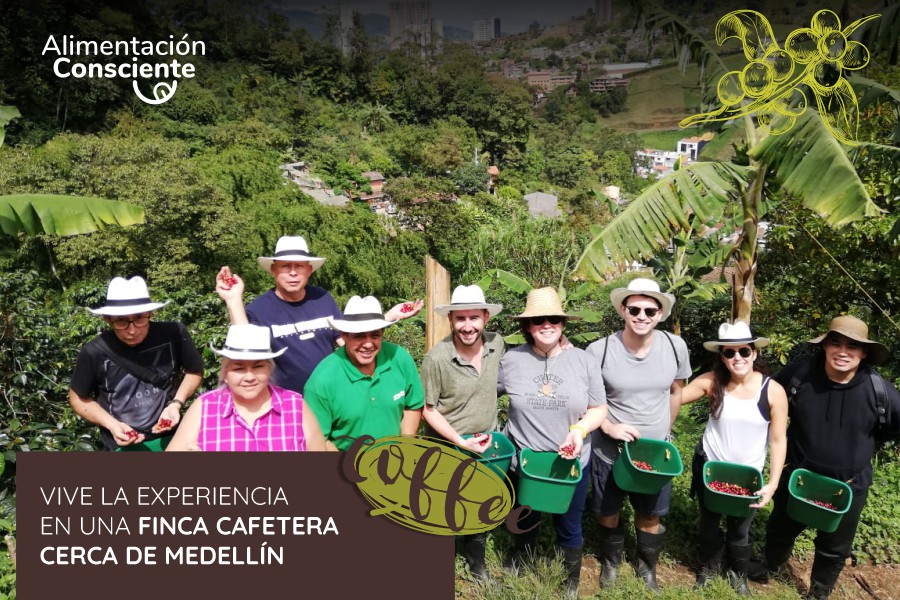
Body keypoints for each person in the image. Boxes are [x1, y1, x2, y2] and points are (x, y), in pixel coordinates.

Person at [750, 316, 900, 600]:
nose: (843, 351)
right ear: (825, 346)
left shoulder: (880, 391)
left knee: (834, 545)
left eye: (853, 346)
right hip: (798, 477)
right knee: (781, 527)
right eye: (836, 342)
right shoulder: (799, 376)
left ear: (864, 352)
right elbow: (767, 401)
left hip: (850, 485)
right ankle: (769, 564)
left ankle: (819, 593)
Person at [498, 287, 607, 597]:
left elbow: (599, 408)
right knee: (524, 517)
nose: (546, 325)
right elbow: (483, 392)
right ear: (527, 327)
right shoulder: (511, 360)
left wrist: (580, 431)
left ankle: (569, 581)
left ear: (563, 323)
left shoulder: (583, 361)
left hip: (570, 461)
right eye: (538, 320)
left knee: (569, 524)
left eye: (554, 319)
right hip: (526, 461)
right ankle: (521, 559)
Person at [215, 235, 422, 395]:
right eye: (286, 266)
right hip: (287, 401)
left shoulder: (322, 298)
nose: (293, 272)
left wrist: (386, 317)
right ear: (273, 270)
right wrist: (233, 300)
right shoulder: (260, 309)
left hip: (333, 395)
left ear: (309, 270)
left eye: (299, 266)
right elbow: (246, 349)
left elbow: (347, 340)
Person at [586, 277, 691, 591]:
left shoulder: (675, 347)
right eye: (635, 309)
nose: (642, 316)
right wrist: (608, 426)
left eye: (650, 310)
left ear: (660, 314)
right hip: (609, 449)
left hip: (654, 452)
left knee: (650, 513)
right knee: (608, 511)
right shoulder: (600, 350)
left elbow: (676, 391)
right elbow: (588, 400)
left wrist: (666, 430)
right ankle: (611, 562)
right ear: (623, 309)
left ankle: (647, 568)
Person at [681, 321, 788, 595]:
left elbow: (778, 440)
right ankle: (709, 569)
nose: (737, 358)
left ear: (754, 353)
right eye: (729, 353)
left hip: (747, 475)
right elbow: (674, 397)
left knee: (741, 528)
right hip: (711, 467)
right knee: (708, 522)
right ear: (722, 356)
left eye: (743, 351)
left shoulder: (772, 391)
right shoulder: (712, 382)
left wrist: (773, 483)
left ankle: (738, 574)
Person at [421, 284, 505, 581]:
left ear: (485, 317)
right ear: (451, 320)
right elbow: (427, 409)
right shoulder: (437, 359)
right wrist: (459, 441)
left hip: (486, 443)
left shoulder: (497, 345)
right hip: (448, 445)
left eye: (474, 318)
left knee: (479, 505)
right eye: (460, 319)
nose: (467, 326)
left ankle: (476, 564)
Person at [69, 276, 203, 450]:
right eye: (122, 321)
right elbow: (78, 398)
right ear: (108, 318)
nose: (132, 330)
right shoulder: (94, 351)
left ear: (150, 314)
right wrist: (111, 424)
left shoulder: (174, 333)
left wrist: (176, 404)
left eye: (139, 319)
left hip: (173, 439)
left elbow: (194, 371)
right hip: (121, 446)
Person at [166, 324, 326, 452]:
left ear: (269, 369)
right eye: (238, 368)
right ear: (226, 373)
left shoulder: (295, 405)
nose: (249, 377)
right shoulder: (204, 407)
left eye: (258, 367)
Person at [303, 295, 424, 451]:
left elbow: (412, 405)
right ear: (343, 335)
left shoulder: (399, 358)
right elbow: (318, 440)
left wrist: (406, 448)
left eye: (375, 335)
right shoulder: (322, 381)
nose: (368, 344)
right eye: (359, 336)